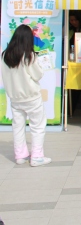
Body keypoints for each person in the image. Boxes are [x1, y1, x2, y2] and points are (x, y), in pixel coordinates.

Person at [1, 25, 51, 166]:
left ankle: (20, 155)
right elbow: (38, 75)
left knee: (18, 126)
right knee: (38, 126)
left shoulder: (5, 55)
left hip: (14, 98)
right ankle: (37, 156)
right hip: (31, 97)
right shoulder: (29, 56)